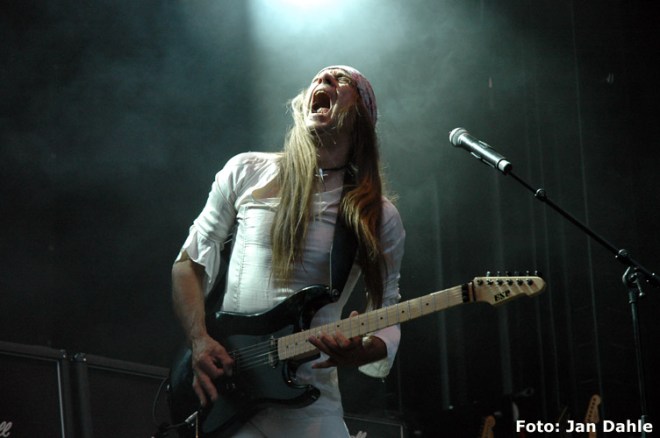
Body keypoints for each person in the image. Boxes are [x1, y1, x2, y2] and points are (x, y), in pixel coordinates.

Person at [171, 65, 406, 437]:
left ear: (361, 115)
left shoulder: (378, 215)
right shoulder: (246, 171)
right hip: (228, 390)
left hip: (309, 402)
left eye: (341, 80)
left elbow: (387, 312)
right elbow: (188, 264)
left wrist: (360, 351)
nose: (323, 81)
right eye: (319, 78)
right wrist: (199, 340)